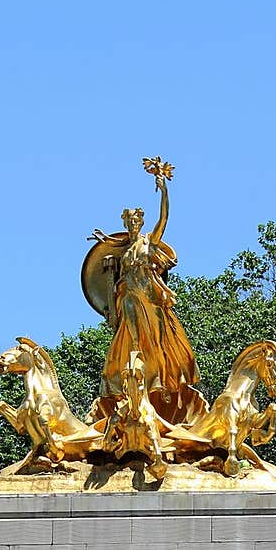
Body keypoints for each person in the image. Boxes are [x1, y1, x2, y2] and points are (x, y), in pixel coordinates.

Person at [86, 159, 208, 427]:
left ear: (140, 223)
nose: (132, 224)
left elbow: (164, 218)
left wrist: (163, 190)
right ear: (125, 223)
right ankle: (133, 373)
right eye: (129, 220)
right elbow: (107, 266)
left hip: (149, 299)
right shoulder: (123, 249)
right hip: (129, 295)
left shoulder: (148, 242)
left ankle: (155, 379)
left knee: (158, 341)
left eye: (136, 220)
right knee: (130, 335)